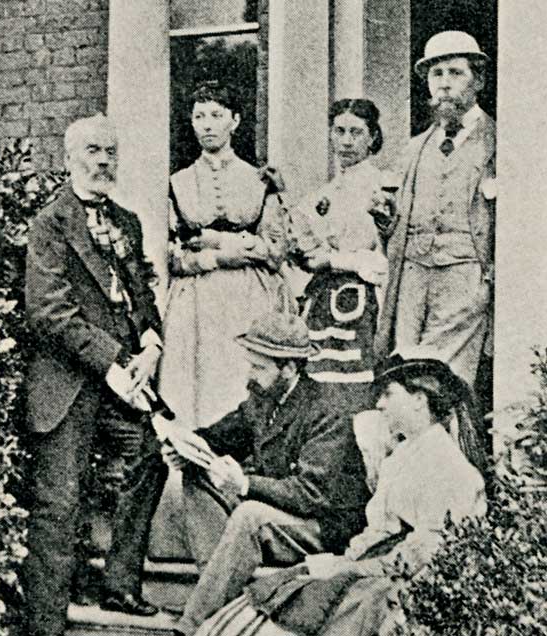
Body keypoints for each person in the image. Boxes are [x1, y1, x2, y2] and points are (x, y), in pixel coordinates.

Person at [110, 311, 371, 635]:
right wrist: (184, 446)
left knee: (250, 515)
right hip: (282, 510)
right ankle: (219, 598)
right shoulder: (263, 397)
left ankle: (192, 627)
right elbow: (220, 436)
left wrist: (245, 483)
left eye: (259, 367)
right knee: (197, 474)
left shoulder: (329, 411)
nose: (251, 374)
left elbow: (311, 494)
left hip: (323, 525)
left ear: (289, 368)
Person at [194, 350, 488, 636]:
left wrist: (347, 568)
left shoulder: (446, 468)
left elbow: (420, 558)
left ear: (418, 401)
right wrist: (344, 562)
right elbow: (378, 532)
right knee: (269, 598)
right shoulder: (404, 453)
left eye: (389, 394)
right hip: (372, 567)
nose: (380, 404)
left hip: (398, 589)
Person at [21, 113, 167, 636]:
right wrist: (111, 362)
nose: (103, 160)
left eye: (110, 150)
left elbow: (140, 291)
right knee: (59, 503)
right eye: (91, 151)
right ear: (68, 159)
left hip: (121, 379)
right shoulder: (50, 222)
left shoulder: (126, 220)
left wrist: (151, 339)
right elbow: (49, 311)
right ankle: (46, 627)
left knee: (151, 454)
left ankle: (121, 585)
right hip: (68, 382)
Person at [161, 81, 294, 431]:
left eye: (216, 115)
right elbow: (170, 253)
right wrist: (212, 259)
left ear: (234, 121)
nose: (207, 124)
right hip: (196, 299)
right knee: (196, 385)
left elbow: (277, 249)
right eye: (199, 116)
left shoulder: (258, 179)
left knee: (241, 376)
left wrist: (233, 246)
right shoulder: (178, 183)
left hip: (247, 296)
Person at [373, 31, 497, 385]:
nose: (444, 84)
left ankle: (449, 442)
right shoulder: (414, 148)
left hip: (464, 274)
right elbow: (395, 225)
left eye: (455, 73)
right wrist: (384, 218)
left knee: (446, 377)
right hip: (412, 275)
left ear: (478, 81)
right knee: (405, 369)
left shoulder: (498, 142)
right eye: (436, 74)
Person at [288, 98, 389, 387]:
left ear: (372, 137)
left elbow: (384, 259)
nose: (346, 141)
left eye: (355, 133)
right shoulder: (326, 192)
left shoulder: (381, 188)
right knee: (319, 381)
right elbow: (301, 235)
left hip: (364, 301)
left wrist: (333, 260)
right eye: (339, 131)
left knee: (355, 381)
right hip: (323, 300)